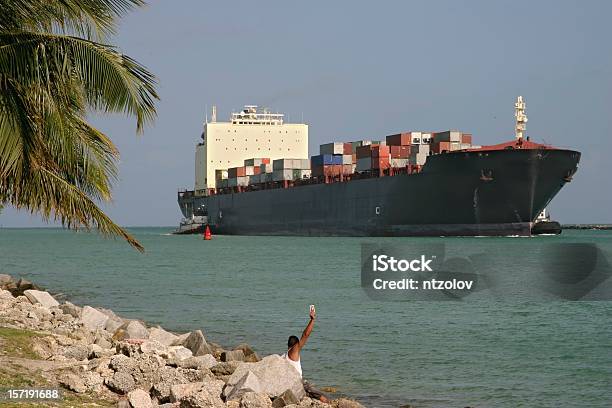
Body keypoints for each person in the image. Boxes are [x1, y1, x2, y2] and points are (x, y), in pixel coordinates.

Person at [284, 306, 329, 403]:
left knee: (311, 393)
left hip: (287, 383)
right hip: (298, 383)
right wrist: (312, 320)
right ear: (295, 345)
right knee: (320, 395)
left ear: (288, 345)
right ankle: (329, 404)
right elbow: (305, 335)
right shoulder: (293, 352)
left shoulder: (283, 356)